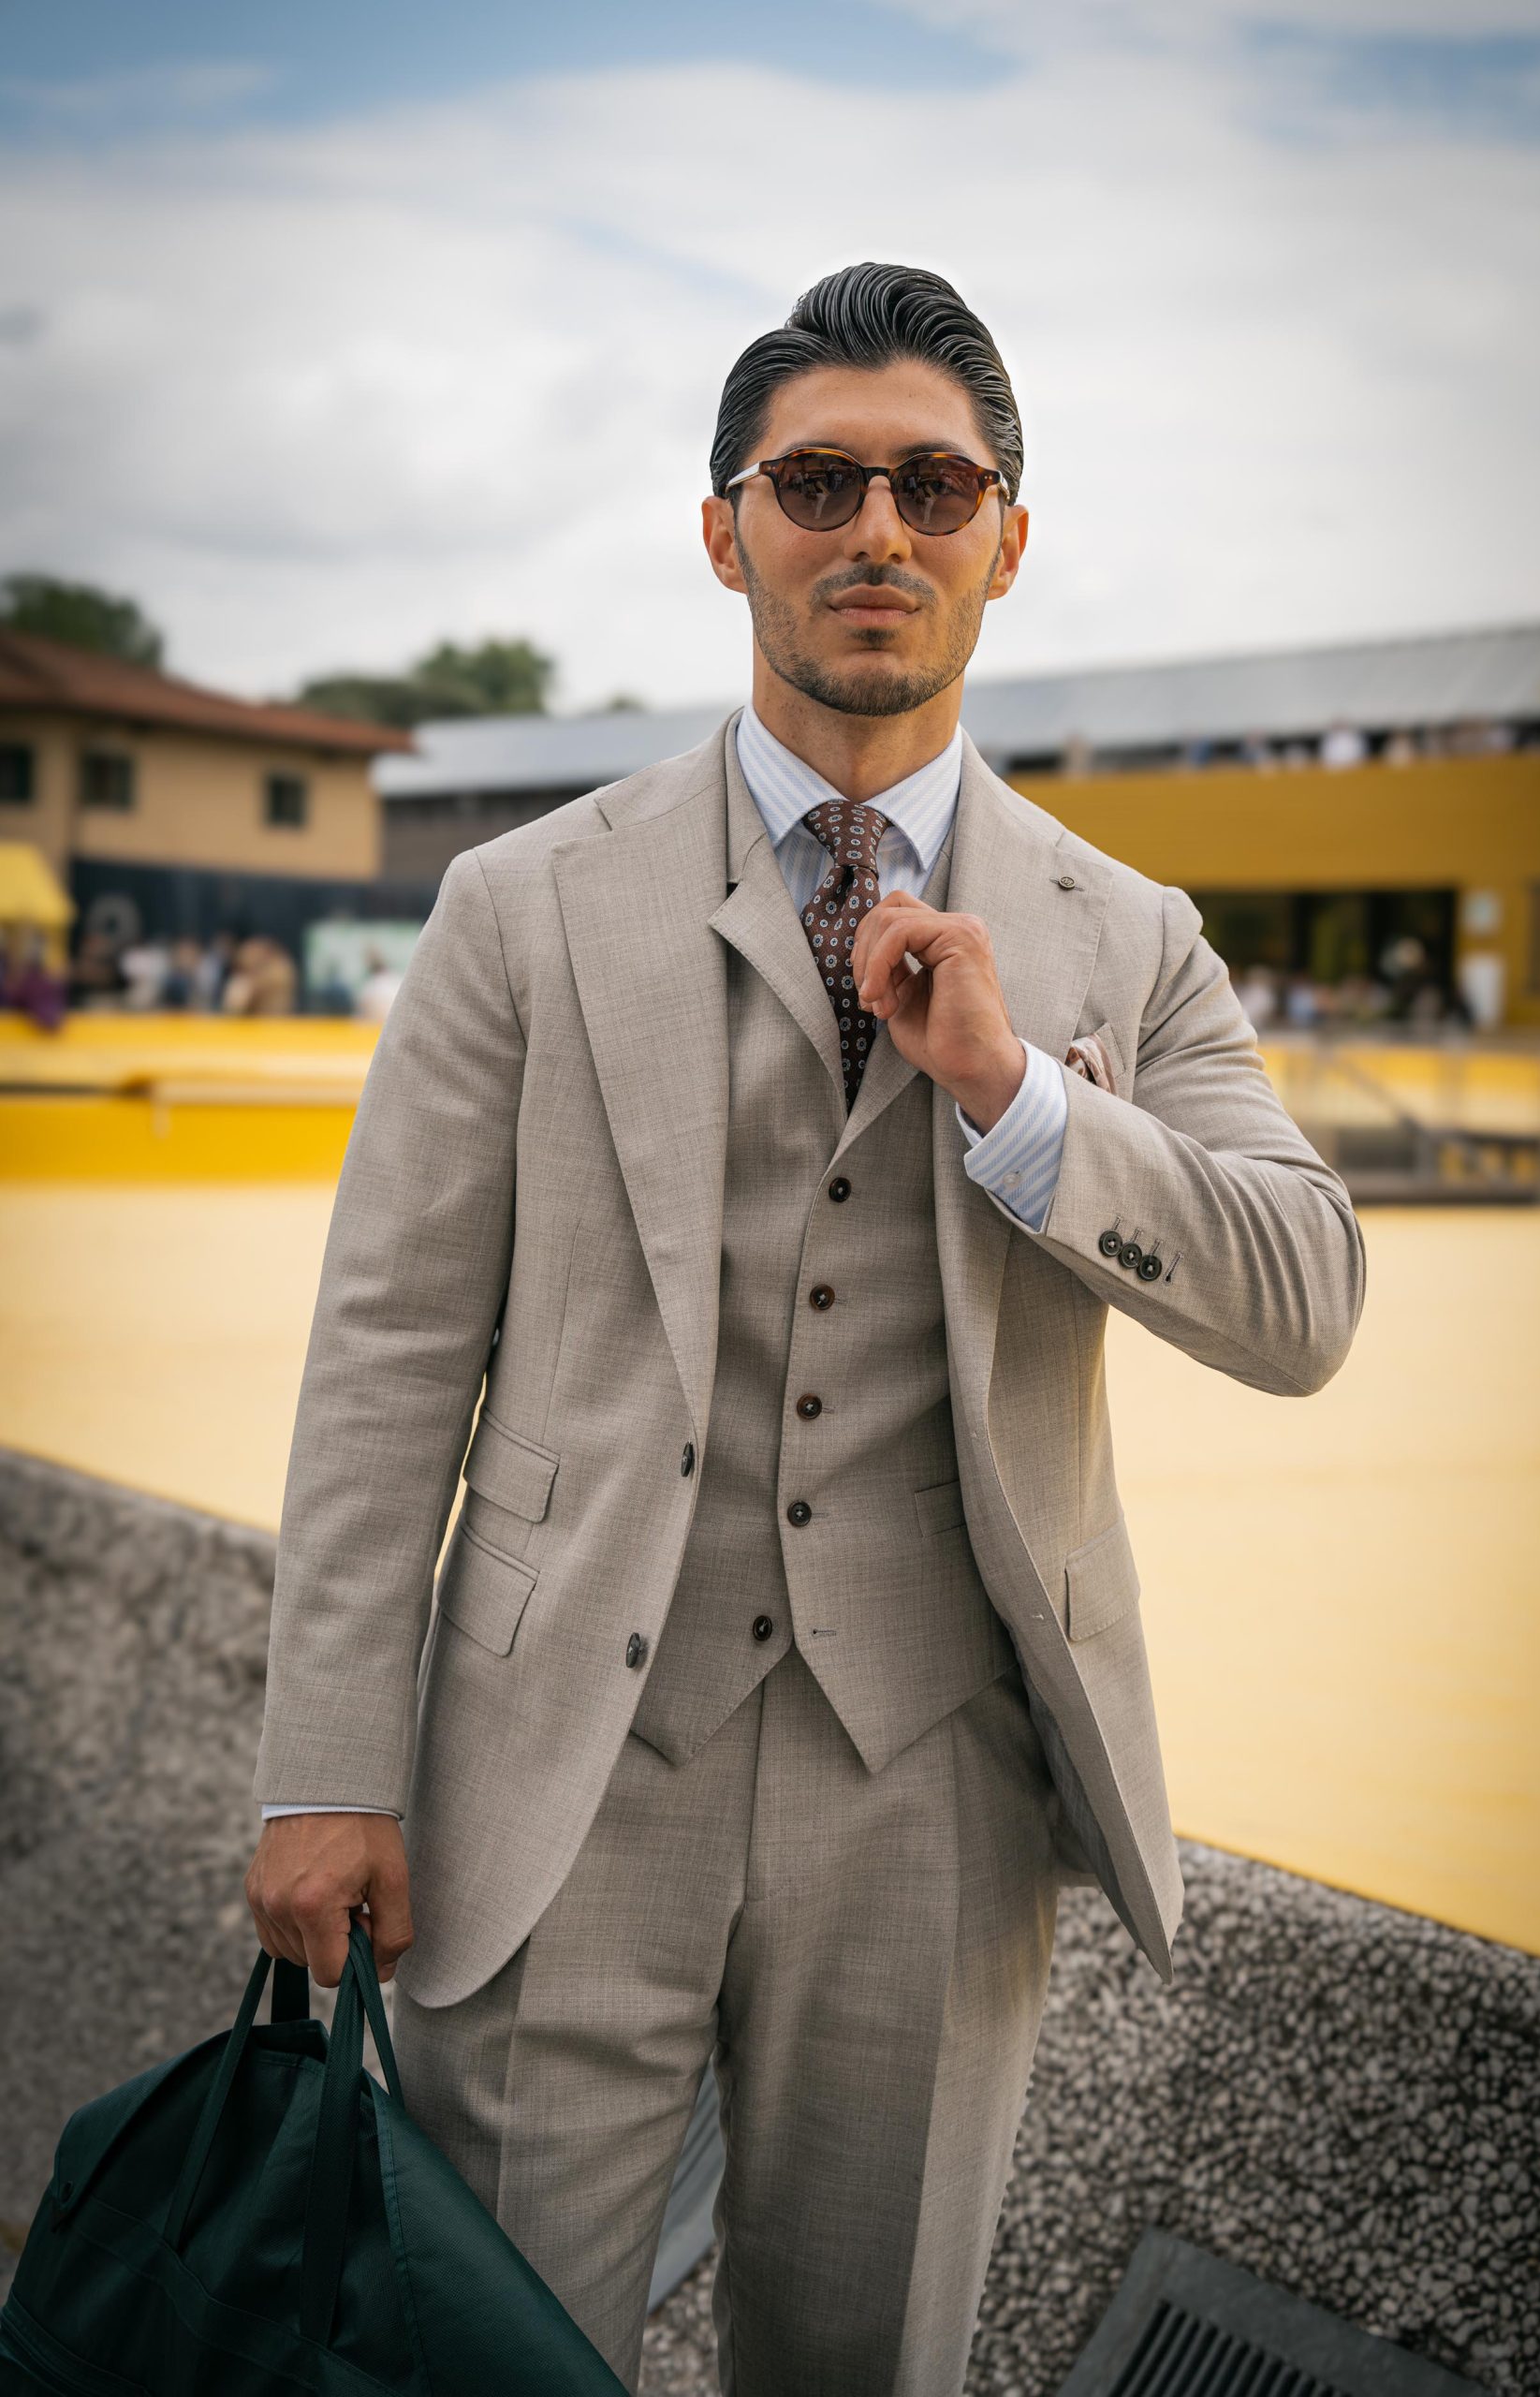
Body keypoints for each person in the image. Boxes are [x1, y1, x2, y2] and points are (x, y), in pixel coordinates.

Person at [245, 262, 1366, 2394]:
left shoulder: (1127, 939)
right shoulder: (522, 904)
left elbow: (1303, 1295)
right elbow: (389, 1364)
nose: (878, 528)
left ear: (1005, 540)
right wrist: (323, 1769)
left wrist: (1019, 1101)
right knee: (490, 2360)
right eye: (818, 480)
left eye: (933, 484)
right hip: (560, 1777)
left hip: (927, 1788)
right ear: (722, 527)